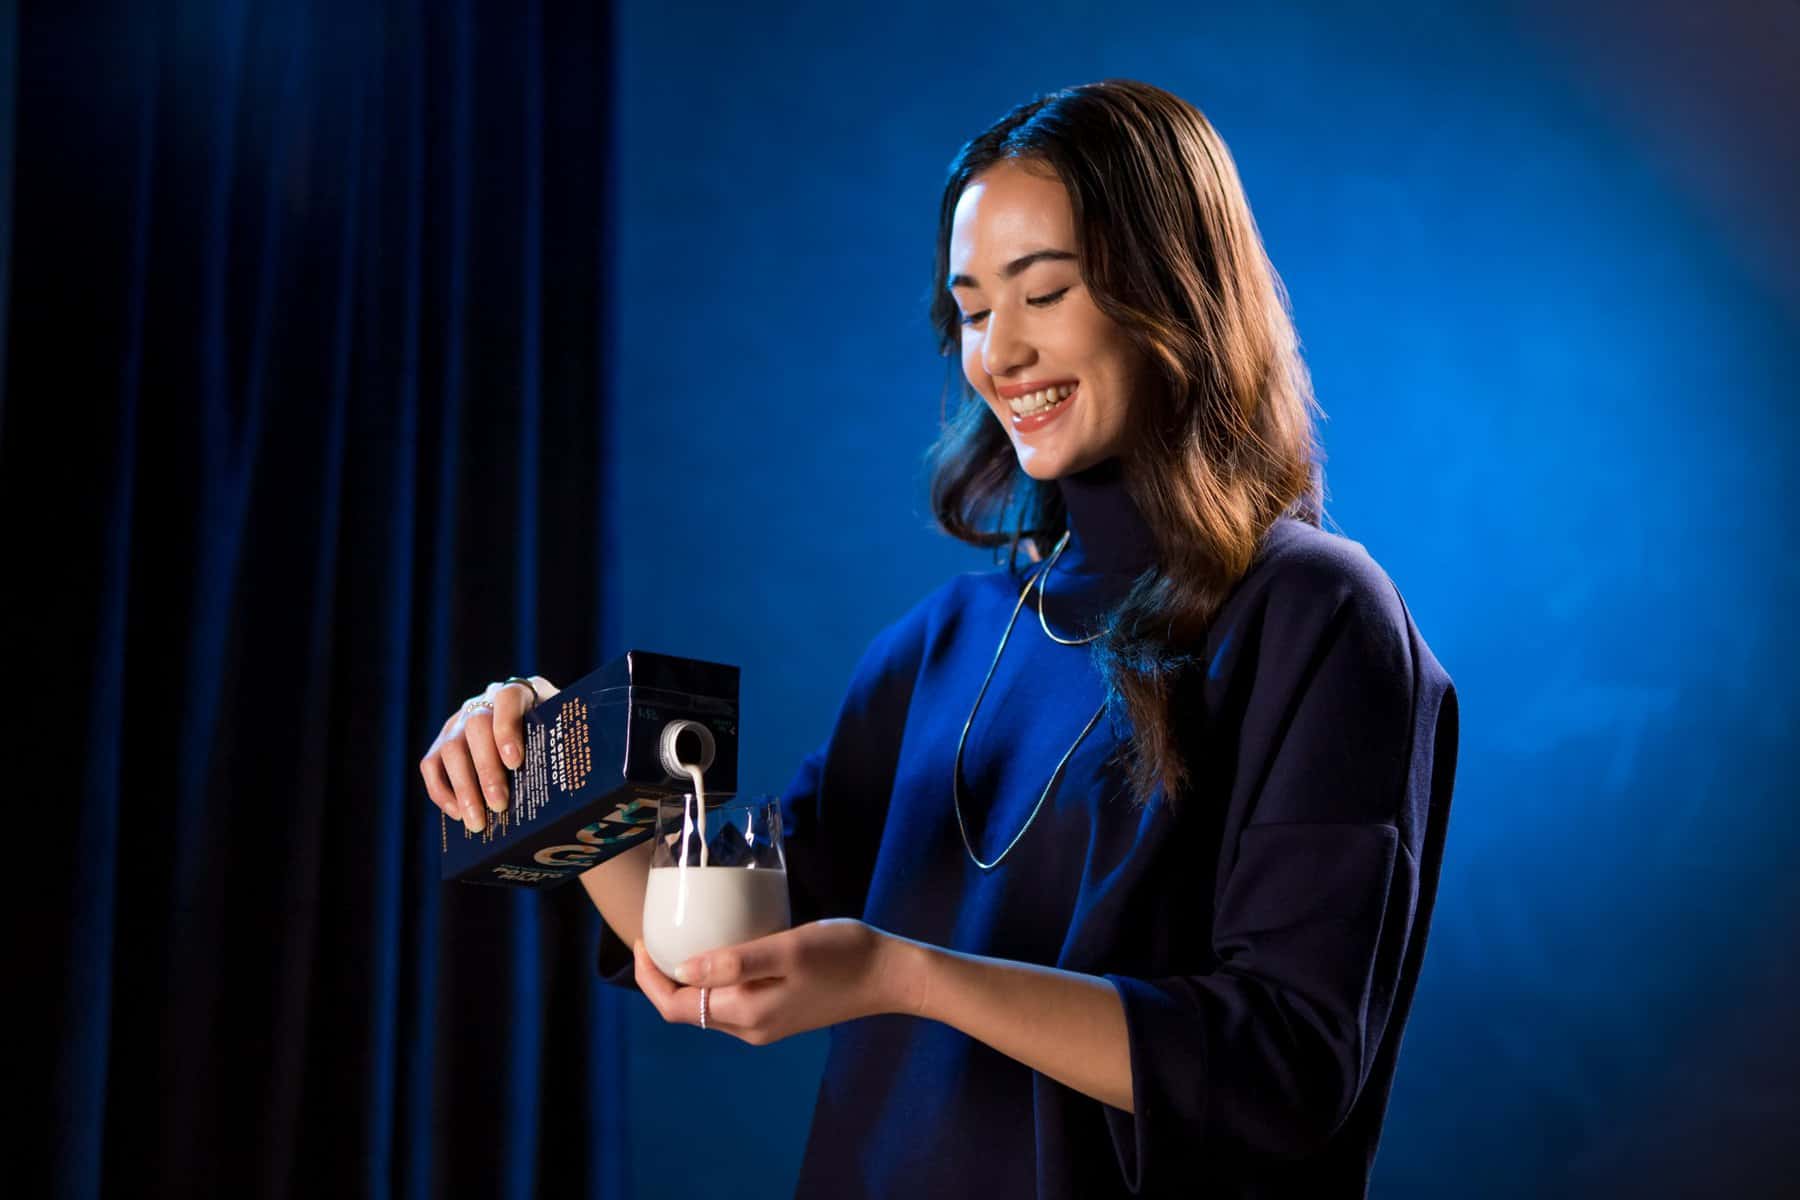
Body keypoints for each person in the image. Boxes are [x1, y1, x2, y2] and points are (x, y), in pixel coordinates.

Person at [419, 79, 1458, 1200]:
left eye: (1043, 292)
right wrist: (553, 755)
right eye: (971, 309)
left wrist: (903, 973)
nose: (997, 353)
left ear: (1175, 291)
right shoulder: (940, 645)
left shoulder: (1317, 616)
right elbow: (708, 958)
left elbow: (1287, 1069)